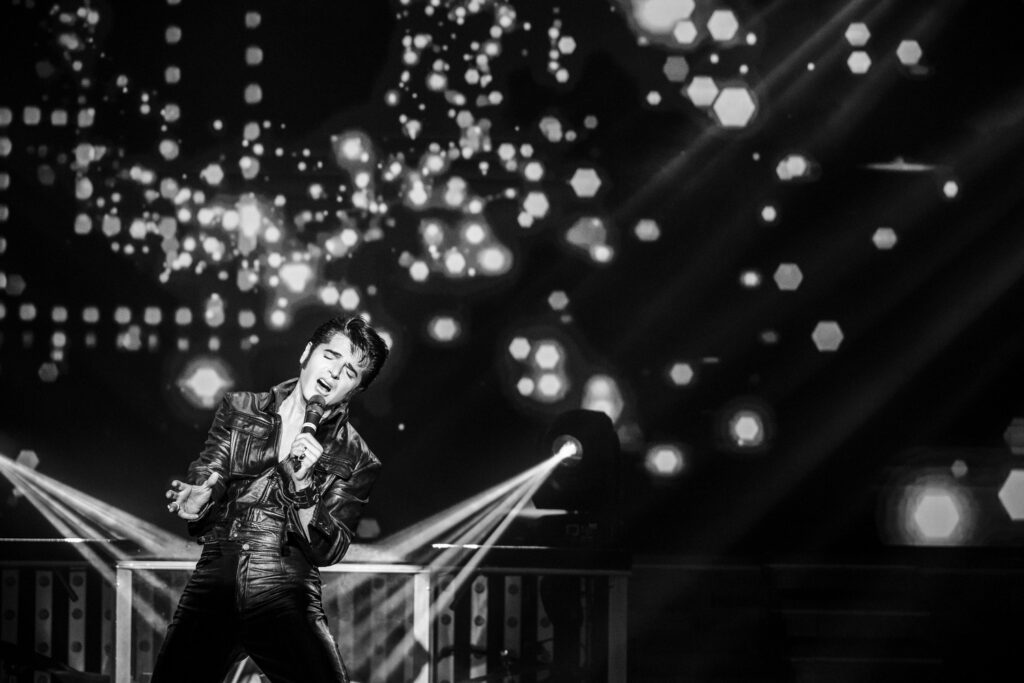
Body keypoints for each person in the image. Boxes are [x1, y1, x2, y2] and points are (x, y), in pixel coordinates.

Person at [152, 315, 389, 683]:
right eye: (330, 356)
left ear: (355, 390)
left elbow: (329, 549)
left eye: (350, 373)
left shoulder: (358, 457)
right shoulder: (241, 408)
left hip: (285, 589)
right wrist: (198, 498)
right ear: (307, 353)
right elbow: (208, 472)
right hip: (217, 579)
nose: (334, 373)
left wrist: (304, 487)